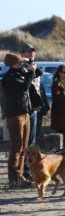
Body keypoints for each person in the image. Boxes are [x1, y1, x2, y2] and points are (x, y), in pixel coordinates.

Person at [2, 53, 35, 188]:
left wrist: (30, 64)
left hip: (25, 113)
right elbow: (24, 87)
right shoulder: (9, 77)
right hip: (14, 116)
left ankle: (20, 176)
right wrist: (30, 72)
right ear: (13, 63)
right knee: (17, 147)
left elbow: (38, 73)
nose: (21, 63)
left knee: (24, 148)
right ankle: (14, 179)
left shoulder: (19, 72)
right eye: (19, 61)